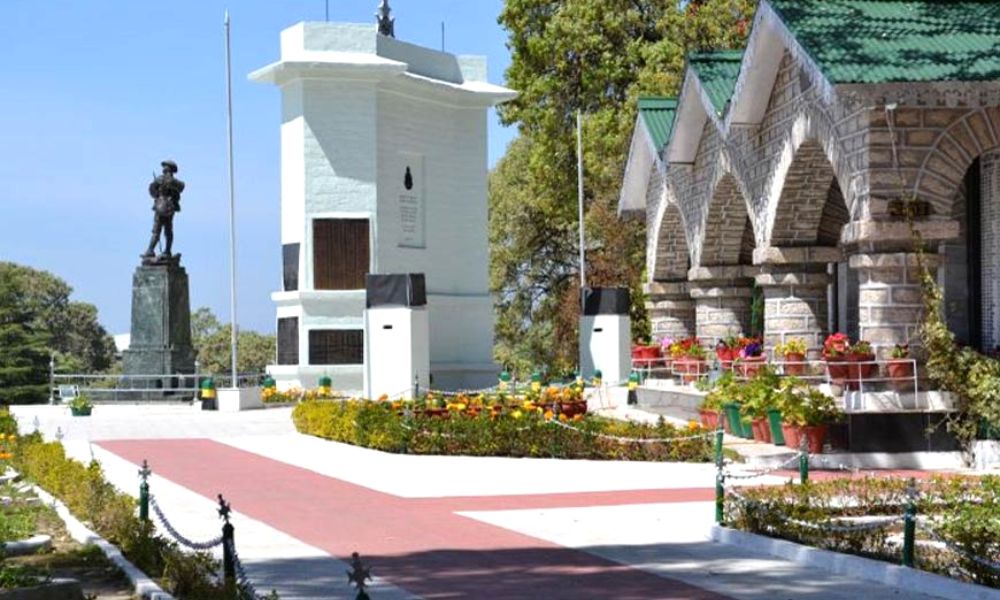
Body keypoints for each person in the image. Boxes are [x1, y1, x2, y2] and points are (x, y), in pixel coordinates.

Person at [143, 160, 185, 262]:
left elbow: (181, 187)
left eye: (166, 168)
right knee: (162, 231)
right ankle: (153, 251)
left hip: (165, 207)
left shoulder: (172, 181)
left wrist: (161, 186)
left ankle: (160, 251)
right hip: (165, 207)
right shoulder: (160, 180)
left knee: (163, 230)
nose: (165, 170)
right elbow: (152, 191)